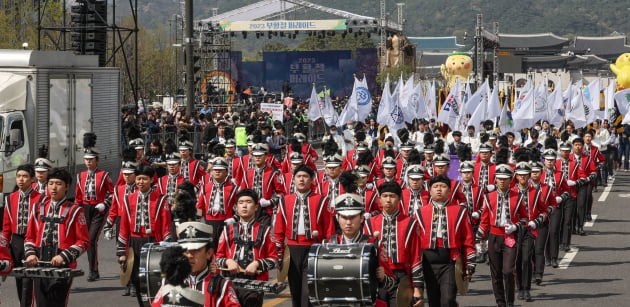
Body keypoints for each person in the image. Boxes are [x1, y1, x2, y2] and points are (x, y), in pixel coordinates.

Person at [24, 168, 90, 307]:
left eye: (58, 183)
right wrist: (30, 254)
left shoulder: (75, 210)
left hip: (63, 266)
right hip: (39, 265)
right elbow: (29, 237)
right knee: (41, 303)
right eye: (51, 183)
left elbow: (83, 242)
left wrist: (63, 256)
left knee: (57, 303)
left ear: (67, 186)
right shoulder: (37, 208)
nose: (54, 187)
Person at [273, 164, 335, 306]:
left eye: (305, 176)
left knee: (308, 291)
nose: (302, 179)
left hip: (313, 248)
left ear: (312, 179)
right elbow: (279, 229)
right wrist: (279, 253)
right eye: (298, 176)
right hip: (292, 249)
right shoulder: (284, 200)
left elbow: (329, 228)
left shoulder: (321, 200)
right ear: (293, 179)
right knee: (295, 290)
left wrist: (329, 252)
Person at [415, 175, 475, 307]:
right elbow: (415, 243)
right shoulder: (420, 212)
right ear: (429, 190)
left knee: (447, 300)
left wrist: (469, 262)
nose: (439, 190)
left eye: (443, 186)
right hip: (428, 262)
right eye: (435, 187)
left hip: (450, 261)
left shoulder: (460, 211)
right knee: (433, 301)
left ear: (449, 191)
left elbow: (468, 239)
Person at [117, 165, 173, 307]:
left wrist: (167, 246)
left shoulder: (161, 199)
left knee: (155, 278)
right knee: (137, 279)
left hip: (154, 242)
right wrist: (122, 253)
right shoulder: (128, 199)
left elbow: (166, 226)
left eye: (144, 179)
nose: (141, 182)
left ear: (151, 180)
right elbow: (123, 227)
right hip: (135, 242)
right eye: (138, 179)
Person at [363, 181, 424, 306]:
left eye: (392, 196)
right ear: (379, 199)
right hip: (377, 274)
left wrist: (417, 288)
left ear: (399, 198)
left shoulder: (410, 223)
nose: (388, 200)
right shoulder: (370, 223)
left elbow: (416, 256)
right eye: (385, 196)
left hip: (401, 275)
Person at [477, 164, 527, 307]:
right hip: (493, 237)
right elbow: (484, 221)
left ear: (511, 179)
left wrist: (515, 226)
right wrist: (478, 240)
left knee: (508, 271)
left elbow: (524, 218)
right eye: (499, 178)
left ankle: (510, 301)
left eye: (505, 178)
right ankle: (501, 303)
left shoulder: (518, 197)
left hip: (509, 237)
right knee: (495, 273)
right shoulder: (488, 197)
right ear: (495, 179)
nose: (502, 181)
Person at [216, 189, 277, 306]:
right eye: (241, 202)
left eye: (248, 202)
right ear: (236, 207)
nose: (244, 205)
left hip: (255, 284)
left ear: (256, 207)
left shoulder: (266, 230)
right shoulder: (226, 230)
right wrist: (228, 261)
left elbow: (274, 260)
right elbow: (217, 258)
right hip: (230, 283)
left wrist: (256, 264)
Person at [2, 164, 42, 307]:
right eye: (18, 176)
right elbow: (6, 226)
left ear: (32, 179)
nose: (21, 179)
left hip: (34, 242)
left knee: (29, 279)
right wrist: (4, 246)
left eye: (25, 176)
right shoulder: (10, 198)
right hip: (16, 242)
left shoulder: (41, 198)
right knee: (19, 278)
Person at [74, 147, 114, 282]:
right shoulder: (80, 176)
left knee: (91, 240)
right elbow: (78, 197)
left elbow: (113, 194)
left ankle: (93, 270)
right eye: (86, 160)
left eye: (91, 160)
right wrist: (76, 211)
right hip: (85, 209)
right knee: (85, 240)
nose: (88, 162)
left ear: (97, 160)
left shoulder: (104, 175)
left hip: (99, 209)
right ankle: (93, 268)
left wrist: (105, 204)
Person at [513, 162, 547, 302]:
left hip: (529, 230)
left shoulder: (535, 191)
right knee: (517, 260)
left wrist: (536, 222)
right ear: (516, 176)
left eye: (525, 175)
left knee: (526, 259)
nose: (522, 177)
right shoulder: (511, 192)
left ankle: (526, 289)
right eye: (520, 175)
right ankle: (519, 287)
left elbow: (544, 211)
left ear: (529, 176)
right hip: (514, 231)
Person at [103, 160, 138, 296]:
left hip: (134, 224)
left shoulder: (139, 188)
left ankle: (135, 283)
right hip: (121, 223)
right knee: (122, 255)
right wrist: (108, 226)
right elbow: (113, 210)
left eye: (130, 174)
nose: (127, 177)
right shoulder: (119, 190)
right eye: (125, 174)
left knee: (133, 255)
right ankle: (127, 282)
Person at [239, 143, 284, 226]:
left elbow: (281, 193)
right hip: (249, 209)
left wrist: (269, 202)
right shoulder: (247, 173)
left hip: (265, 211)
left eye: (260, 155)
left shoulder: (272, 173)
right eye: (255, 156)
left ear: (266, 157)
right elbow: (242, 192)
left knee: (262, 234)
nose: (257, 158)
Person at [197, 157, 239, 245]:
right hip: (209, 222)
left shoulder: (233, 188)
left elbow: (240, 205)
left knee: (225, 246)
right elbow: (199, 206)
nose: (217, 171)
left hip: (226, 222)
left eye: (220, 169)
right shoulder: (205, 187)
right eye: (215, 169)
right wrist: (199, 222)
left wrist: (234, 218)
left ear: (226, 172)